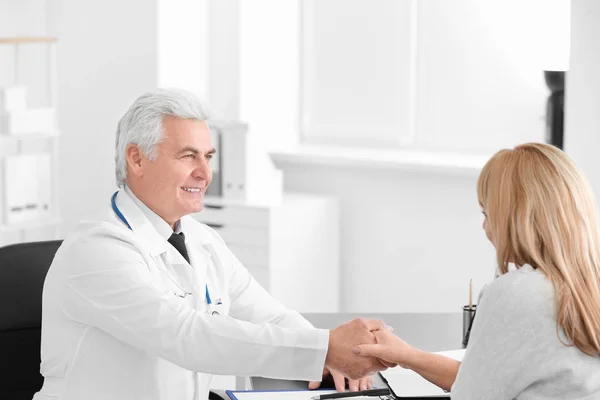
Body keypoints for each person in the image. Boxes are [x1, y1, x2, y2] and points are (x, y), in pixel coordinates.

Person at [33, 88, 388, 400]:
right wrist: (324, 348)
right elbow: (187, 336)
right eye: (188, 156)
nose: (205, 172)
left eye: (209, 156)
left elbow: (270, 314)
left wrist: (329, 357)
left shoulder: (201, 239)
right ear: (136, 158)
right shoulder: (97, 249)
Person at [353, 143, 600, 399]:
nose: (485, 227)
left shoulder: (519, 293)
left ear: (513, 217)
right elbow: (487, 378)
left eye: (487, 213)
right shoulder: (586, 286)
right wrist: (407, 356)